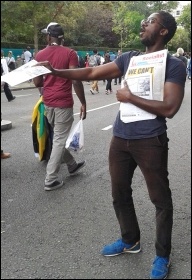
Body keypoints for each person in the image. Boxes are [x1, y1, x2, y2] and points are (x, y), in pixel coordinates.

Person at [35, 11, 186, 279]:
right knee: (119, 193)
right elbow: (92, 71)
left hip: (150, 140)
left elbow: (170, 107)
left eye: (150, 22)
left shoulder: (173, 64)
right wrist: (56, 71)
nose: (143, 23)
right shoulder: (129, 58)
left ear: (163, 31)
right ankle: (130, 240)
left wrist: (129, 96)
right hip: (120, 138)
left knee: (160, 200)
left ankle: (163, 255)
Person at [33, 22, 87, 191]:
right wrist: (83, 102)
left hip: (48, 102)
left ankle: (71, 164)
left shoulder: (40, 54)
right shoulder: (70, 53)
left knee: (58, 137)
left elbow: (37, 82)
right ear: (62, 38)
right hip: (63, 102)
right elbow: (76, 79)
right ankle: (50, 179)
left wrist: (46, 89)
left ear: (49, 37)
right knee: (59, 139)